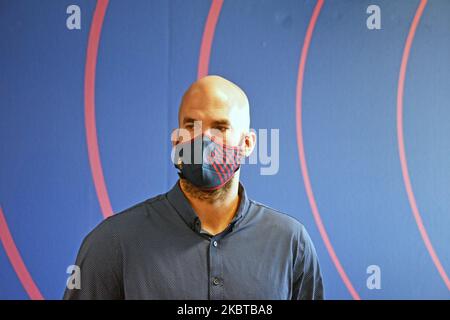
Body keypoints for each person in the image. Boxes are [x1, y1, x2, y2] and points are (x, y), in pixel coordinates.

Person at [63, 75, 324, 300]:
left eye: (220, 127)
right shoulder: (114, 242)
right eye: (191, 126)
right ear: (177, 139)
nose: (204, 141)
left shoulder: (290, 243)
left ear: (247, 143)